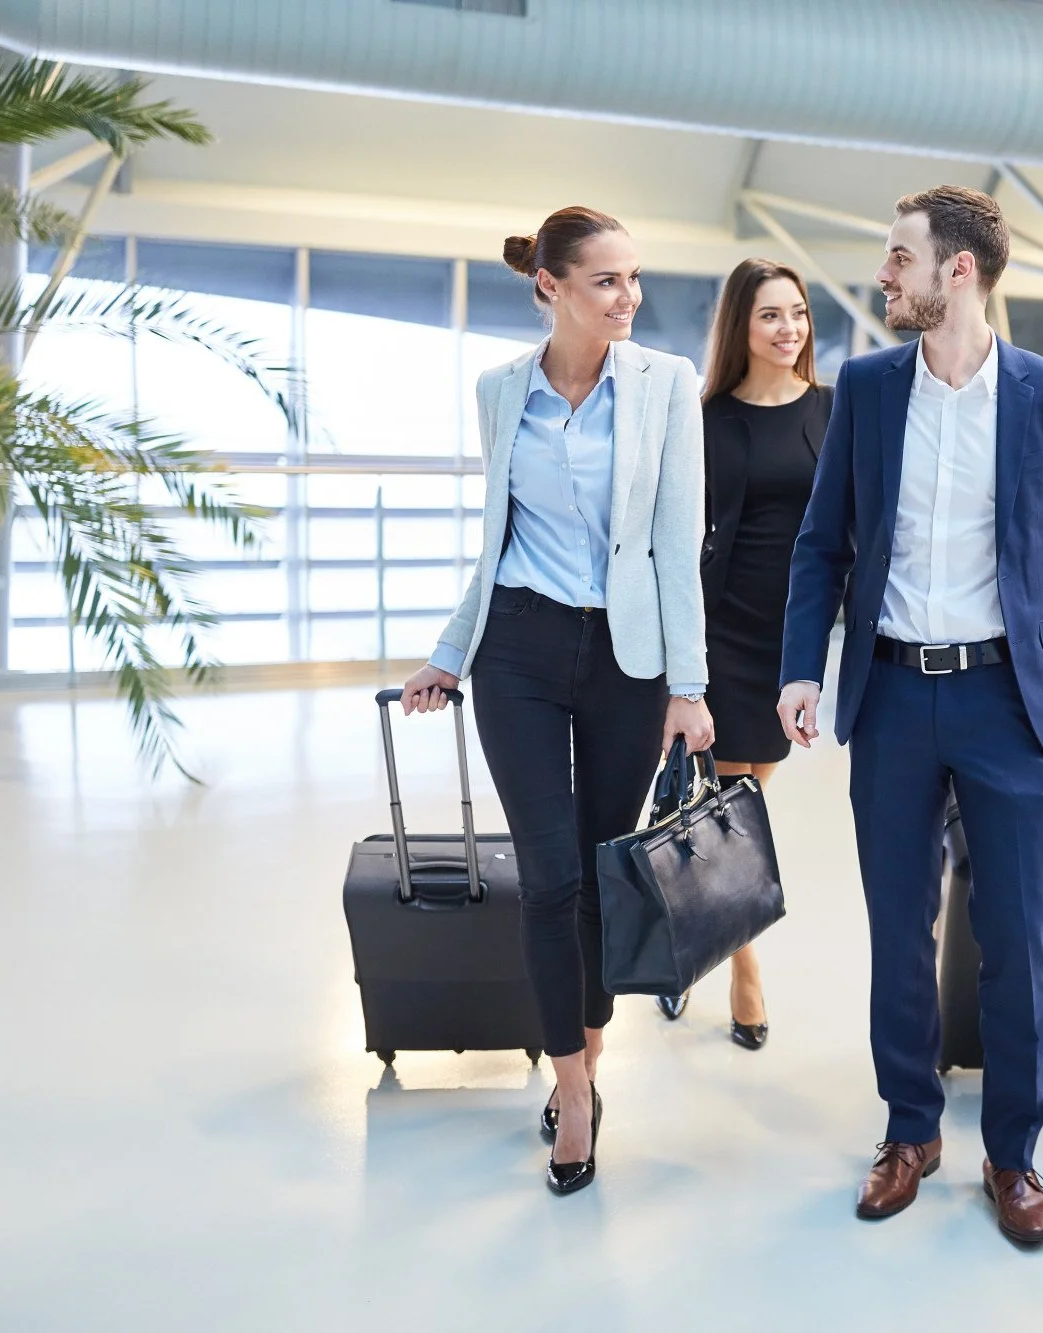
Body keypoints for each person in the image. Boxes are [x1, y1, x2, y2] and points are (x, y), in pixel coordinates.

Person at [777, 186, 1043, 1247]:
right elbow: (820, 544)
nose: (886, 275)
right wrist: (802, 668)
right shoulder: (869, 389)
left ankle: (1011, 1155)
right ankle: (908, 1129)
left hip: (999, 698)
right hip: (886, 693)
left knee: (1017, 934)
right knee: (897, 929)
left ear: (956, 270)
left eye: (898, 258)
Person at [398, 206, 713, 1197]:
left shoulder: (665, 386)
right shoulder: (499, 391)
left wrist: (690, 686)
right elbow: (493, 540)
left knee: (595, 867)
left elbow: (675, 543)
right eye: (605, 282)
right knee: (547, 877)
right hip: (522, 649)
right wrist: (450, 652)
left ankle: (588, 1044)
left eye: (633, 278)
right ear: (549, 288)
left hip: (627, 660)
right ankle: (572, 1094)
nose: (629, 298)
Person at [658, 259, 832, 1050]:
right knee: (735, 804)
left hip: (795, 631)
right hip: (723, 627)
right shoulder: (707, 417)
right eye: (770, 316)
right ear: (742, 326)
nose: (789, 329)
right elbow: (679, 530)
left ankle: (699, 915)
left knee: (742, 794)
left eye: (797, 313)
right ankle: (742, 965)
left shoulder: (834, 409)